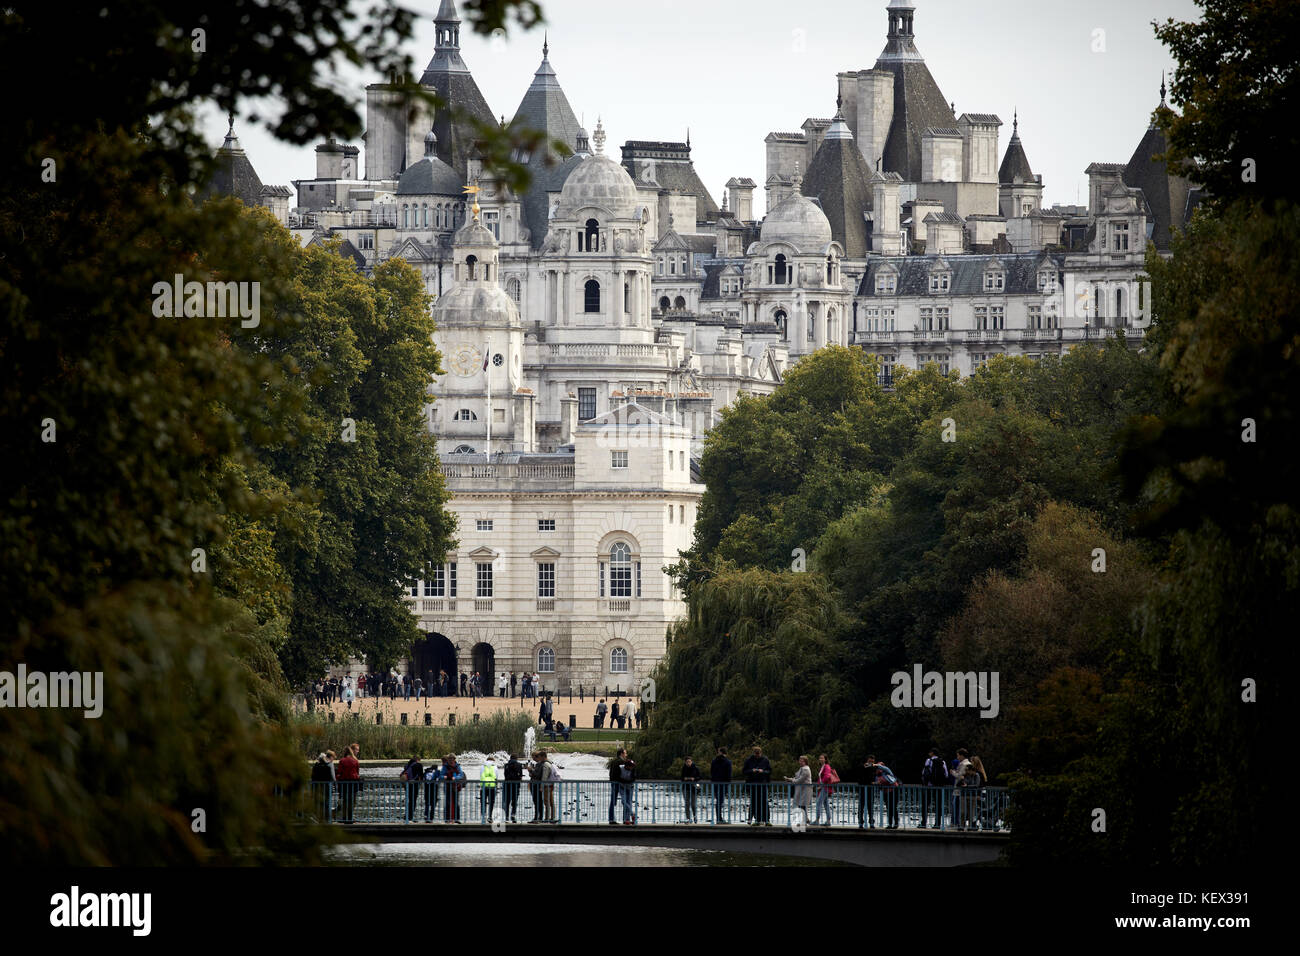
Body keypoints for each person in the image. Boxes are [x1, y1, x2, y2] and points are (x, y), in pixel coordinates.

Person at [742, 746, 772, 825]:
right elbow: (744, 771)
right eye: (756, 754)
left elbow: (769, 771)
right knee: (754, 802)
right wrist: (752, 770)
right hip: (752, 784)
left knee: (764, 802)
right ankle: (754, 819)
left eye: (758, 754)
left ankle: (766, 819)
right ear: (754, 753)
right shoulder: (749, 760)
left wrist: (763, 771)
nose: (757, 755)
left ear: (761, 753)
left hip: (763, 784)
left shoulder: (765, 760)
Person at [868, 756, 901, 829]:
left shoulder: (887, 771)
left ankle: (896, 823)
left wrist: (875, 765)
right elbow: (877, 783)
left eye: (881, 766)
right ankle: (890, 824)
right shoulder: (877, 776)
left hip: (894, 790)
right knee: (889, 808)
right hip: (886, 792)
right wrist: (875, 783)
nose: (879, 769)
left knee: (894, 807)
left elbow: (883, 768)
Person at [920, 748, 950, 829]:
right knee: (938, 805)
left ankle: (923, 823)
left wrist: (925, 781)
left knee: (925, 805)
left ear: (932, 753)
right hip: (939, 787)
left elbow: (924, 773)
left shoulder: (929, 761)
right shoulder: (942, 761)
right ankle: (937, 824)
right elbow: (946, 774)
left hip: (929, 786)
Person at [608, 748, 636, 825]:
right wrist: (626, 781)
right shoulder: (621, 762)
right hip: (620, 784)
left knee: (613, 802)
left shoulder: (613, 761)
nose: (626, 755)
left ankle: (611, 819)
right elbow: (622, 774)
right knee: (625, 801)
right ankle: (625, 819)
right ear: (621, 754)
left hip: (613, 783)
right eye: (625, 753)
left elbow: (611, 773)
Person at [336, 743, 360, 823]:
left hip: (344, 783)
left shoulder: (342, 761)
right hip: (353, 783)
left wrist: (338, 780)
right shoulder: (355, 761)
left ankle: (344, 817)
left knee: (345, 801)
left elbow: (339, 772)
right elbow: (357, 772)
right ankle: (350, 818)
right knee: (352, 801)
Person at [786, 755, 813, 827]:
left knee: (802, 805)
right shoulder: (802, 768)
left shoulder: (806, 769)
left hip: (805, 789)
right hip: (802, 789)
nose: (800, 762)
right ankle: (805, 820)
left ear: (805, 762)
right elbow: (797, 777)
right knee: (801, 805)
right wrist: (790, 779)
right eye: (799, 760)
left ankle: (804, 821)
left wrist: (791, 780)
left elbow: (800, 780)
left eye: (802, 761)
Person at [814, 754, 838, 826]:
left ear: (825, 759)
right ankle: (828, 821)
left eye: (822, 758)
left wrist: (821, 785)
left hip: (825, 788)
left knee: (818, 803)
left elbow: (827, 776)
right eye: (820, 758)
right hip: (824, 787)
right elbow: (822, 777)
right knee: (825, 804)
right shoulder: (823, 766)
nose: (820, 759)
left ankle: (817, 820)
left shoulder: (827, 766)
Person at [710, 747, 732, 824]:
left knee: (718, 801)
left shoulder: (714, 761)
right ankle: (719, 818)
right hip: (724, 783)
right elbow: (729, 774)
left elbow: (712, 772)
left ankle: (718, 818)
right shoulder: (728, 762)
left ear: (720, 752)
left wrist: (713, 780)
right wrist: (728, 783)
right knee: (720, 801)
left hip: (715, 783)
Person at [311, 751, 336, 820]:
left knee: (318, 803)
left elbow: (312, 776)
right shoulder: (329, 764)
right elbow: (333, 777)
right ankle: (327, 819)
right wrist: (335, 785)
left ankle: (317, 818)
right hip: (327, 787)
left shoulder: (316, 765)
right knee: (327, 803)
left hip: (317, 787)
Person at [854, 757, 876, 828]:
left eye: (872, 761)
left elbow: (873, 776)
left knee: (870, 807)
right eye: (870, 761)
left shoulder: (873, 768)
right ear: (867, 760)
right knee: (861, 806)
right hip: (863, 788)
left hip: (870, 789)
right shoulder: (862, 766)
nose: (871, 763)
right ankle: (861, 822)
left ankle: (871, 822)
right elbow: (860, 771)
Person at [443, 754, 465, 823]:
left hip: (455, 786)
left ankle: (457, 819)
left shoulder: (458, 766)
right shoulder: (445, 767)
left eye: (452, 759)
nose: (451, 760)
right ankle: (447, 819)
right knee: (448, 803)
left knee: (456, 803)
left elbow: (461, 775)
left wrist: (455, 778)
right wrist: (444, 777)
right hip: (447, 786)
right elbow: (441, 775)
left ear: (454, 759)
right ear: (448, 760)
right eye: (450, 759)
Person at [502, 754, 523, 823]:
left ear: (510, 758)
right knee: (514, 801)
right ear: (516, 758)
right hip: (516, 785)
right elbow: (520, 775)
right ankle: (513, 815)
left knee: (507, 801)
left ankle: (507, 817)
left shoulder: (506, 765)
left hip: (507, 785)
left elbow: (505, 774)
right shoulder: (519, 765)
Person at [680, 756, 701, 823]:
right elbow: (681, 778)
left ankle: (695, 816)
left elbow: (700, 777)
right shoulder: (684, 768)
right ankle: (688, 819)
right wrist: (684, 779)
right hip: (685, 788)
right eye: (687, 762)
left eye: (689, 761)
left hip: (693, 788)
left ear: (692, 761)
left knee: (693, 804)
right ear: (685, 762)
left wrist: (694, 779)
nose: (688, 763)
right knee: (687, 804)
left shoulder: (696, 768)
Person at [480, 757, 498, 823]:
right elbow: (496, 776)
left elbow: (481, 775)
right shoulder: (495, 767)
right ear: (493, 761)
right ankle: (490, 817)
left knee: (483, 802)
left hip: (483, 787)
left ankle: (483, 817)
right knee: (491, 802)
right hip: (492, 787)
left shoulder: (482, 767)